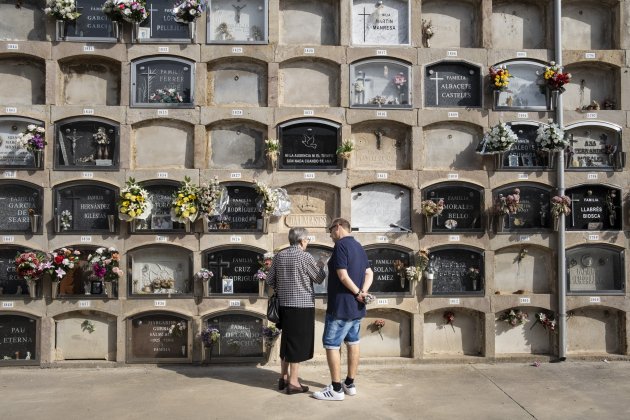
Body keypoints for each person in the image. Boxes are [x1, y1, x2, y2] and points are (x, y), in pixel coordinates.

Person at [313, 218, 373, 401]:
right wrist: (363, 293)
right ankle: (349, 383)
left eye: (331, 231)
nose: (330, 235)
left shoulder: (340, 246)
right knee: (353, 342)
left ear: (338, 227)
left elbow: (342, 275)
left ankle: (336, 389)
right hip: (356, 307)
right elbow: (369, 273)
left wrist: (357, 292)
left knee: (331, 344)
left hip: (341, 306)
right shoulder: (358, 246)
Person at [265, 227, 326, 395]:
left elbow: (270, 280)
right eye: (307, 240)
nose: (307, 243)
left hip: (284, 306)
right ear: (301, 241)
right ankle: (293, 383)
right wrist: (321, 265)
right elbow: (319, 278)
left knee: (287, 341)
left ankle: (283, 378)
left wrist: (283, 287)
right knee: (297, 344)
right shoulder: (305, 257)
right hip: (302, 306)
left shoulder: (279, 256)